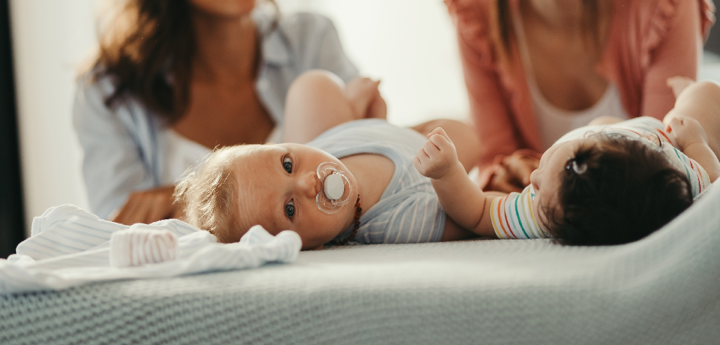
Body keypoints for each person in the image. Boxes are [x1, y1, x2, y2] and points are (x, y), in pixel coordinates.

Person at [73, 0, 361, 225]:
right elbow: (121, 232)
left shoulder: (310, 39)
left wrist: (185, 200)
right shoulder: (107, 92)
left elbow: (363, 173)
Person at [174, 70, 482, 250]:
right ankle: (385, 127)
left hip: (340, 135)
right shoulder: (399, 222)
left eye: (287, 164)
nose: (308, 181)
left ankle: (374, 124)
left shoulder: (318, 153)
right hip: (426, 164)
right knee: (467, 138)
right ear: (311, 247)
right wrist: (448, 173)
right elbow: (471, 218)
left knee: (312, 86)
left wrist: (372, 130)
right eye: (290, 208)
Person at [444, 0, 715, 192]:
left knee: (702, 105)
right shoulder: (475, 12)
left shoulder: (665, 7)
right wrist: (506, 173)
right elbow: (494, 162)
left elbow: (666, 160)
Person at [414, 78, 720, 246]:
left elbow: (477, 212)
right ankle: (689, 93)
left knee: (609, 120)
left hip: (607, 131)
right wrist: (694, 141)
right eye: (544, 179)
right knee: (702, 101)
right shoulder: (674, 171)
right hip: (658, 136)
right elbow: (710, 172)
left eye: (539, 190)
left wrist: (447, 173)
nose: (532, 182)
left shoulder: (540, 212)